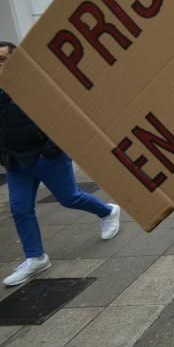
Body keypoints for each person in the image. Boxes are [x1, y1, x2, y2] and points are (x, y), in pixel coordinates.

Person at [1, 41, 121, 287]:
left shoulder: (36, 87)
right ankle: (35, 257)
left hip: (46, 156)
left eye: (2, 59)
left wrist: (50, 150)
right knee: (20, 209)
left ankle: (108, 211)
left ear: (16, 61)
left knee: (69, 198)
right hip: (16, 161)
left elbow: (62, 117)